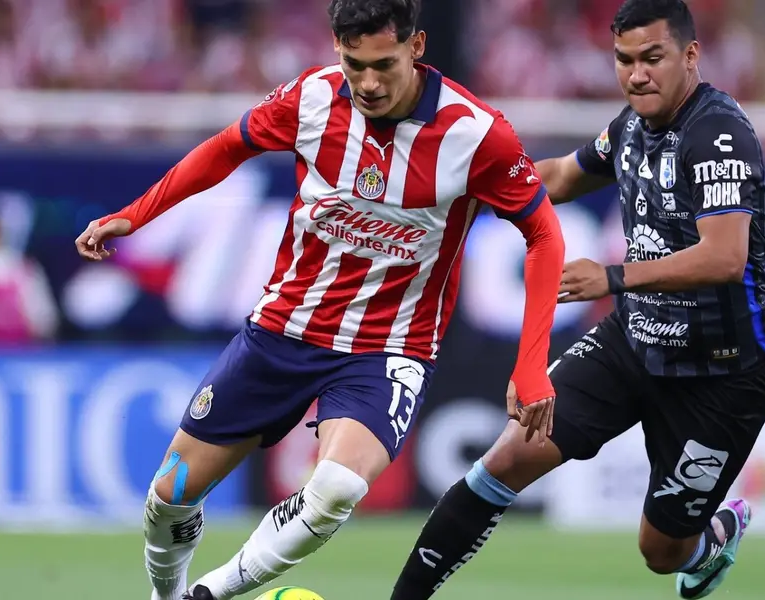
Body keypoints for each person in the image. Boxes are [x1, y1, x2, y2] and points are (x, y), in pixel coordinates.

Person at [73, 1, 565, 600]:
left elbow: (542, 232)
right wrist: (135, 214)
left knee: (334, 490)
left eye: (384, 64)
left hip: (387, 348)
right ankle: (167, 594)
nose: (369, 83)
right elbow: (228, 147)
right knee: (168, 498)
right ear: (337, 47)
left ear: (417, 46)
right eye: (355, 64)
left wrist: (531, 362)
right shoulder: (310, 97)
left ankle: (211, 594)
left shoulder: (476, 134)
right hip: (283, 327)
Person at [389, 1, 765, 599]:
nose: (637, 74)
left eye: (653, 58)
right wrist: (459, 187)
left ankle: (710, 541)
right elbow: (562, 178)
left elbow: (725, 257)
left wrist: (614, 277)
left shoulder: (717, 132)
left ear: (691, 55)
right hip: (633, 343)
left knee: (661, 550)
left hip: (719, 374)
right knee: (507, 457)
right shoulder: (631, 126)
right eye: (624, 60)